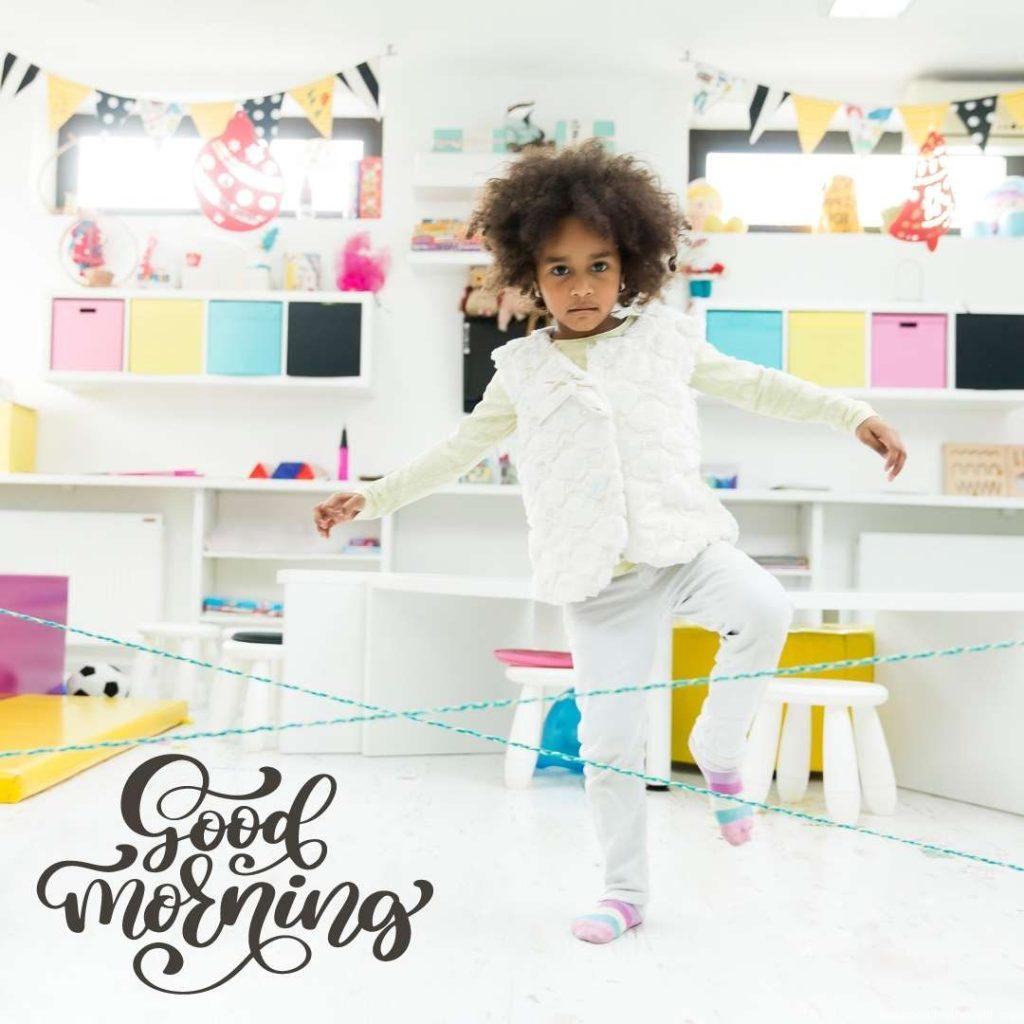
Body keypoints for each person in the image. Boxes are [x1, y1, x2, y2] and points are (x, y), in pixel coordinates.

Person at [312, 139, 907, 945]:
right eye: (560, 270)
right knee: (611, 741)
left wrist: (852, 414)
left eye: (599, 266)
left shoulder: (663, 338)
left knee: (765, 607)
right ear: (530, 277)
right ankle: (624, 890)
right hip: (599, 580)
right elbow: (457, 451)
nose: (582, 286)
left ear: (631, 265)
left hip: (684, 545)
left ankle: (718, 742)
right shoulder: (521, 369)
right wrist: (374, 495)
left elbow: (757, 384)